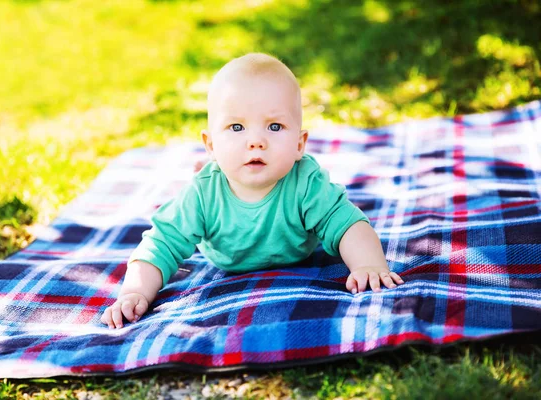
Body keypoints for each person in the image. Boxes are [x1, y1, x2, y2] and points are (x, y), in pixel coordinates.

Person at [101, 53, 404, 329]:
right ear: (210, 145)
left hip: (299, 256)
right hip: (226, 259)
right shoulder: (204, 194)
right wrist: (134, 292)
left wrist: (368, 265)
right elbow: (161, 244)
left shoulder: (306, 182)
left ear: (299, 145)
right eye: (236, 128)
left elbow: (348, 224)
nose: (256, 141)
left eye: (274, 127)